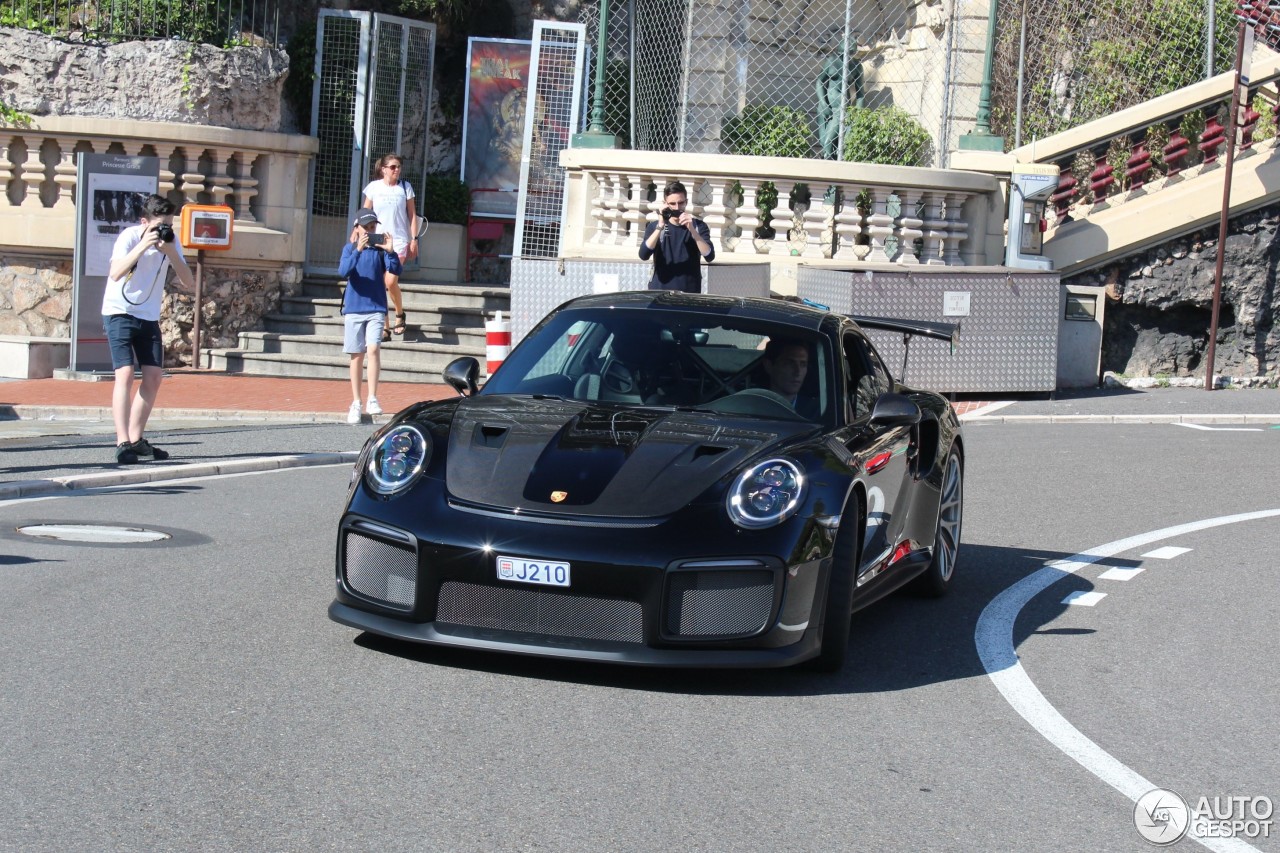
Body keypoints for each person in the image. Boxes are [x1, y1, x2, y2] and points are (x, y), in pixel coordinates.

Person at [101, 193, 196, 464]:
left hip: (148, 315)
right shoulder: (130, 237)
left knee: (153, 377)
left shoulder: (170, 242)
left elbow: (188, 281)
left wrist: (169, 250)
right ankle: (122, 442)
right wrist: (143, 245)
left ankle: (136, 438)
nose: (164, 230)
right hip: (119, 311)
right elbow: (116, 272)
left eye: (168, 225)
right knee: (126, 374)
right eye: (159, 225)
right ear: (144, 222)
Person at [339, 210, 402, 424]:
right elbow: (343, 271)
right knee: (356, 355)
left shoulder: (379, 251)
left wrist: (391, 252)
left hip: (376, 307)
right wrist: (357, 249)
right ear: (357, 228)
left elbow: (396, 270)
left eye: (373, 227)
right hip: (354, 309)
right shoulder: (349, 249)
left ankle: (372, 397)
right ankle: (356, 401)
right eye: (366, 227)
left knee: (373, 348)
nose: (370, 231)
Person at [361, 153, 418, 341]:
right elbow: (365, 213)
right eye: (393, 167)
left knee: (390, 281)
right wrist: (358, 230)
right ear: (383, 169)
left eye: (399, 167)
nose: (397, 170)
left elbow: (412, 215)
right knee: (379, 283)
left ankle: (400, 315)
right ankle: (385, 327)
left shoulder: (405, 187)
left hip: (398, 241)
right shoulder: (374, 187)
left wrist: (414, 239)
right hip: (377, 240)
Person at [638, 180, 714, 293]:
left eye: (681, 203)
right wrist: (660, 226)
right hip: (659, 293)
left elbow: (709, 256)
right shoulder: (654, 226)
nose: (677, 207)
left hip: (689, 294)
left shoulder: (699, 226)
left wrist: (692, 229)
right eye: (672, 204)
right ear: (665, 204)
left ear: (686, 202)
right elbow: (643, 255)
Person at [760, 337, 819, 420]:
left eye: (803, 364)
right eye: (789, 363)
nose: (797, 372)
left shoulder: (817, 411)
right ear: (768, 366)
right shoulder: (753, 405)